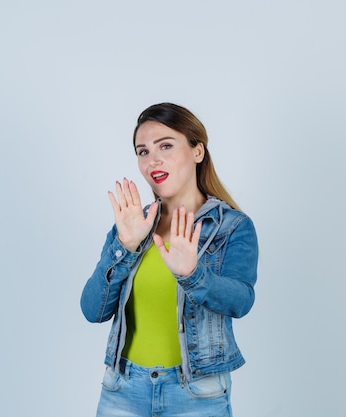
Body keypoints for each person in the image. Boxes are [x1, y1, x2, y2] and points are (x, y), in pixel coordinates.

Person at [81, 103, 259, 417]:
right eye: (143, 151)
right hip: (122, 390)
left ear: (197, 151)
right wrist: (124, 246)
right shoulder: (132, 226)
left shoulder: (232, 227)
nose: (153, 159)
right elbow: (92, 310)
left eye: (165, 145)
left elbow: (241, 302)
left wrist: (193, 274)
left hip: (196, 395)